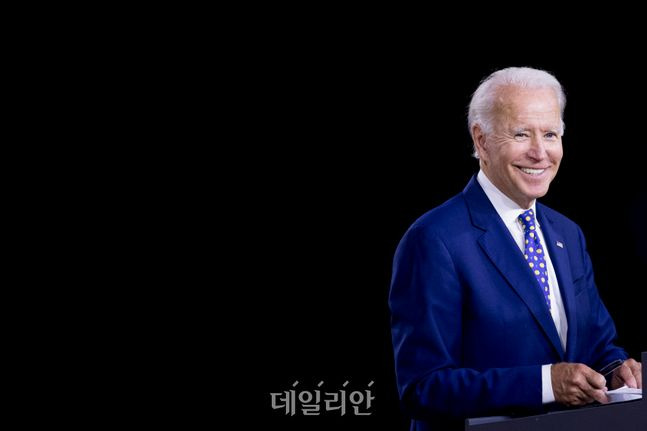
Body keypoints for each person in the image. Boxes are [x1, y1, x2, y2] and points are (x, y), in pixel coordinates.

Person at [389, 67, 642, 430]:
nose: (540, 153)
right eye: (522, 134)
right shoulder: (433, 239)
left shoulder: (567, 234)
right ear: (481, 141)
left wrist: (616, 369)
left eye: (551, 134)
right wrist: (544, 384)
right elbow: (422, 387)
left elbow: (597, 343)